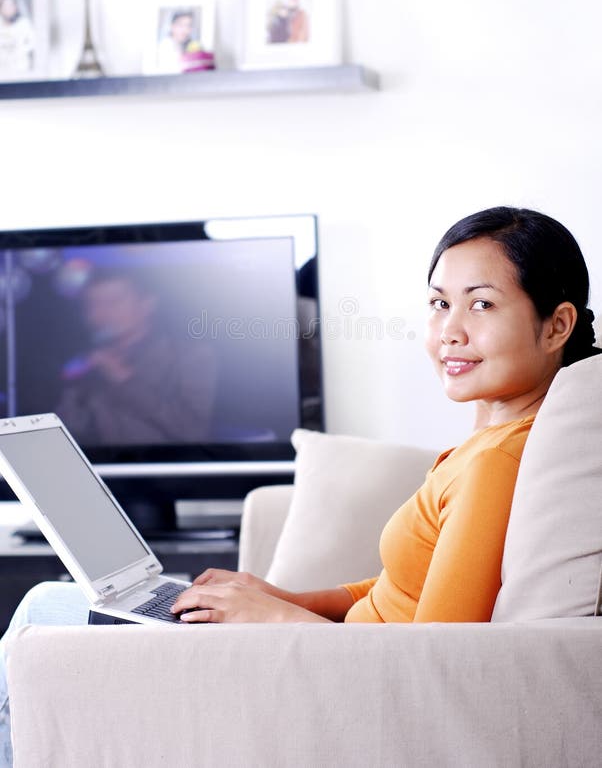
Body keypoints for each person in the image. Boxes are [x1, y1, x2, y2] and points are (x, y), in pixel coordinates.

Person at [0, 206, 599, 763]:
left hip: (331, 682)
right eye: (439, 304)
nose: (450, 331)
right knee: (66, 605)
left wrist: (269, 620)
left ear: (557, 326)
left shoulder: (499, 462)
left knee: (45, 610)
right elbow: (404, 590)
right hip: (329, 655)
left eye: (483, 305)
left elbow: (431, 662)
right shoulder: (489, 445)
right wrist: (279, 597)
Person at [55, 269, 218, 446]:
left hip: (167, 468)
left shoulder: (190, 355)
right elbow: (69, 436)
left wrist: (124, 379)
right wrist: (74, 390)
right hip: (104, 468)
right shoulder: (89, 361)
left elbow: (193, 431)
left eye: (113, 302)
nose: (100, 314)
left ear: (147, 304)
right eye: (92, 305)